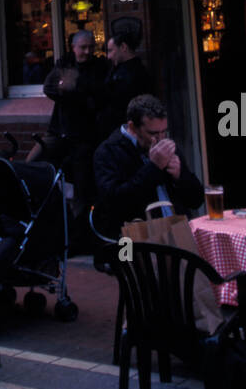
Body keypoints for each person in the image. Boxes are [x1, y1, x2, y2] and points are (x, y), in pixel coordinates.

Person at [35, 30, 110, 238]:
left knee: (81, 184)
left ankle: (79, 233)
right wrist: (69, 90)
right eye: (83, 47)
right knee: (34, 161)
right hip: (59, 129)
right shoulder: (64, 65)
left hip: (83, 134)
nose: (87, 52)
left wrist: (72, 88)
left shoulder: (98, 67)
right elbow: (50, 87)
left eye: (90, 47)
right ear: (74, 48)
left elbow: (98, 95)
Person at [93, 94, 204, 231]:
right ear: (133, 127)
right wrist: (153, 168)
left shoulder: (165, 145)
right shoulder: (108, 151)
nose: (159, 138)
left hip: (179, 232)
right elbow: (114, 204)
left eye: (164, 132)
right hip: (138, 239)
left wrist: (180, 176)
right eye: (153, 133)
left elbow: (196, 200)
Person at [97, 18, 155, 141]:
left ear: (123, 47)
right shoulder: (119, 70)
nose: (109, 56)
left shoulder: (132, 74)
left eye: (111, 50)